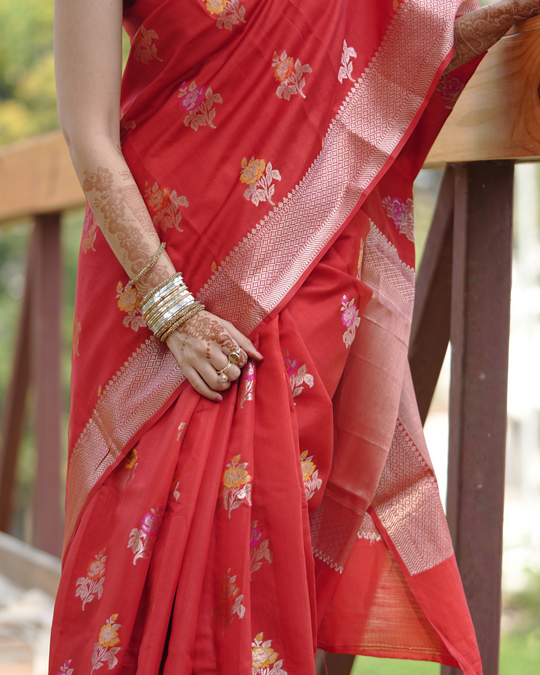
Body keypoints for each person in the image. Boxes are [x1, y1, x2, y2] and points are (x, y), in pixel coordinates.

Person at [50, 1, 540, 674]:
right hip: (152, 279)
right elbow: (86, 130)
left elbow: (403, 43)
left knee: (259, 535)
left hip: (298, 264)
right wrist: (174, 311)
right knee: (133, 548)